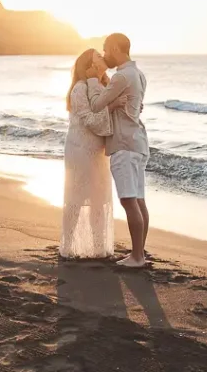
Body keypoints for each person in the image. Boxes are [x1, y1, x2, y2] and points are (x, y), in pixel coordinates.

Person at [85, 33, 149, 268]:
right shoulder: (139, 74)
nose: (104, 53)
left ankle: (137, 257)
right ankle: (140, 252)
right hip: (138, 143)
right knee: (139, 200)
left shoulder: (121, 76)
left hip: (124, 145)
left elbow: (96, 105)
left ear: (114, 48)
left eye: (105, 49)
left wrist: (94, 79)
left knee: (129, 201)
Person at [61, 49, 116, 259]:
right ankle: (68, 246)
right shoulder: (80, 88)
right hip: (80, 149)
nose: (103, 57)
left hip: (98, 151)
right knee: (75, 198)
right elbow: (90, 120)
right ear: (89, 66)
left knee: (98, 199)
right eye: (98, 57)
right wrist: (112, 119)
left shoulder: (102, 85)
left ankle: (98, 247)